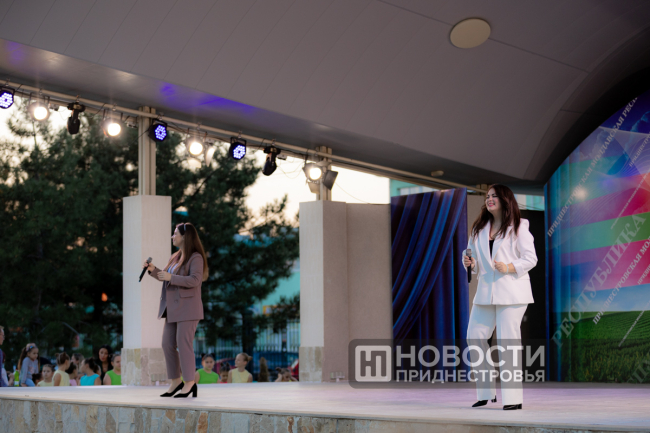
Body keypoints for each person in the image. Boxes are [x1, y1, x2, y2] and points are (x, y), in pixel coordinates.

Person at [463, 184, 537, 411]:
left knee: (507, 342)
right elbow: (473, 259)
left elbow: (531, 258)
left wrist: (509, 266)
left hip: (512, 292)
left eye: (494, 195)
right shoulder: (478, 229)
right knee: (474, 337)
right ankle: (486, 393)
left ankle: (513, 398)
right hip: (486, 292)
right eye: (487, 196)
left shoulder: (519, 226)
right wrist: (470, 263)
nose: (489, 199)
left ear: (505, 199)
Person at [145, 222, 209, 398]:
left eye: (175, 233)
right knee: (167, 344)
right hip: (172, 308)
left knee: (183, 343)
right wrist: (152, 270)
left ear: (185, 236)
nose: (173, 236)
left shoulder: (195, 257)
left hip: (188, 309)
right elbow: (165, 277)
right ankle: (175, 381)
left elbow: (195, 280)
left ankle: (189, 383)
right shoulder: (175, 256)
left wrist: (171, 277)